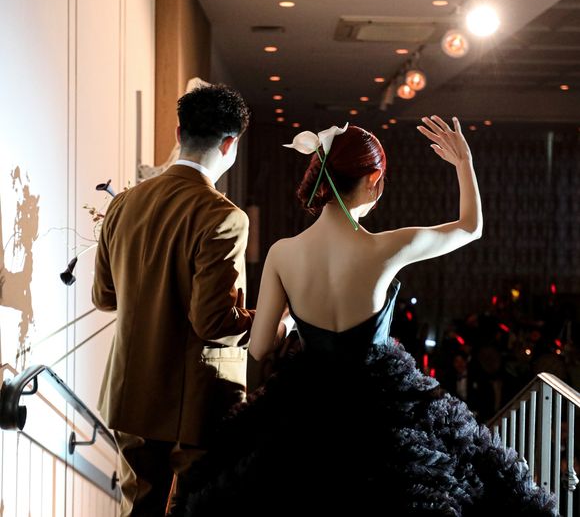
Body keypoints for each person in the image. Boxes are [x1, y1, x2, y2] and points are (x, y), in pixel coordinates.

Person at [177, 116, 557, 515]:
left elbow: (258, 349)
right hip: (381, 409)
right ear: (374, 179)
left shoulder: (282, 253)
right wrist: (464, 163)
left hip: (307, 408)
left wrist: (290, 320)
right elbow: (470, 227)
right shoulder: (385, 248)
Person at [92, 84, 279, 515]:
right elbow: (213, 322)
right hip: (194, 404)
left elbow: (104, 296)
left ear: (179, 133)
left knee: (139, 510)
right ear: (230, 144)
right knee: (198, 509)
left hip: (131, 395)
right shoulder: (223, 216)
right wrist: (271, 321)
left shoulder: (124, 204)